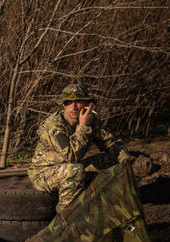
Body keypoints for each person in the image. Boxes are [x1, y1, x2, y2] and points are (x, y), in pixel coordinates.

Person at [28, 83, 132, 213]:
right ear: (63, 105)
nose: (74, 107)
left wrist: (124, 158)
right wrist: (83, 127)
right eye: (69, 102)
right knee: (75, 170)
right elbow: (72, 156)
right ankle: (65, 215)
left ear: (88, 104)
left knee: (114, 159)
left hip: (72, 166)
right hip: (44, 173)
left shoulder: (91, 119)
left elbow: (111, 142)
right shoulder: (53, 126)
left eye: (79, 101)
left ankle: (108, 201)